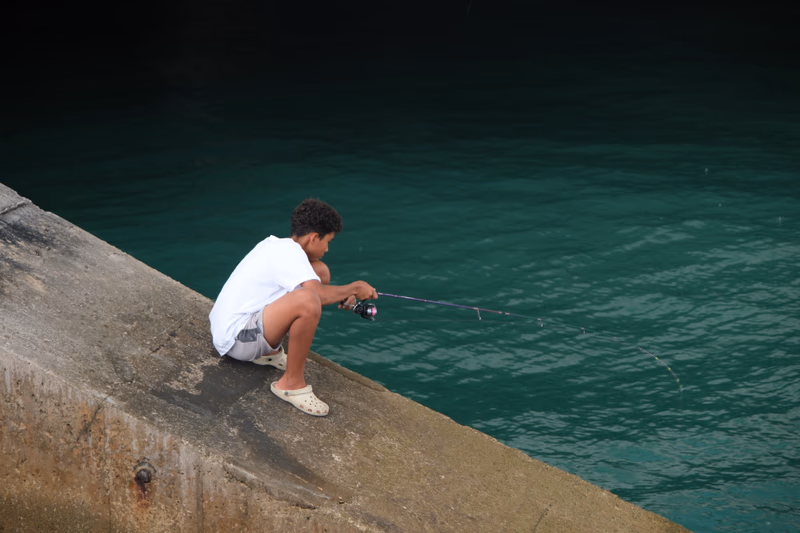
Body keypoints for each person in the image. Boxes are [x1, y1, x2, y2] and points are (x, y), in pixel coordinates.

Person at [209, 198, 377, 416]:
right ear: (314, 237)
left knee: (320, 273)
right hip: (237, 340)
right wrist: (353, 287)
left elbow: (317, 285)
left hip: (236, 330)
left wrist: (343, 293)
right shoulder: (288, 252)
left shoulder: (278, 246)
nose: (327, 249)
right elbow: (314, 296)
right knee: (308, 300)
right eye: (328, 241)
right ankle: (291, 384)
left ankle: (268, 352)